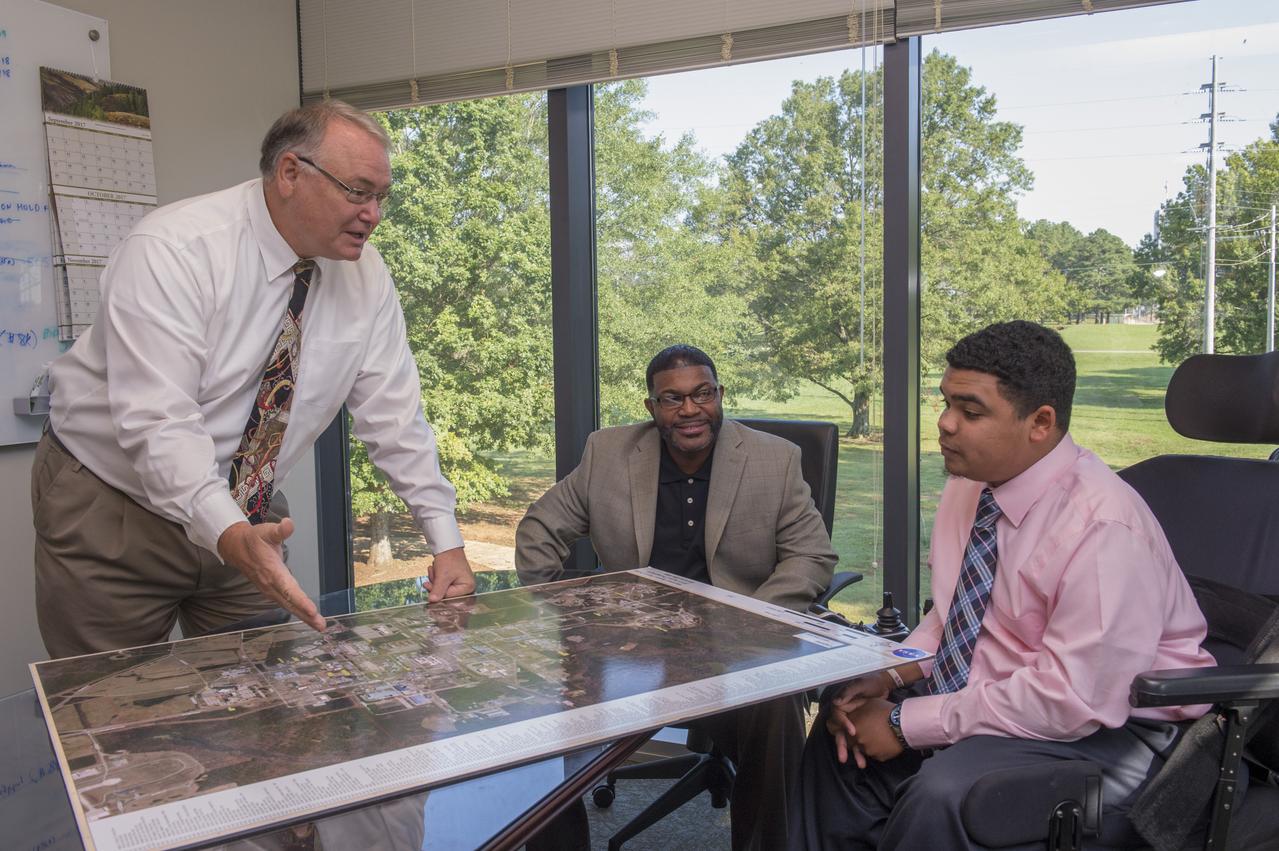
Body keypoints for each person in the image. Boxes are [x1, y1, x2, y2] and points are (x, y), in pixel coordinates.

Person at [33, 100, 475, 658]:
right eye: (358, 192)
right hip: (112, 500)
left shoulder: (366, 275)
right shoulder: (173, 250)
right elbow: (157, 422)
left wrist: (447, 540)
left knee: (267, 705)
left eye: (381, 196)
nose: (373, 214)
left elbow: (394, 418)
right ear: (291, 172)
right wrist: (227, 530)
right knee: (110, 711)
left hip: (247, 506)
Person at [790, 320, 1217, 850]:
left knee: (947, 795)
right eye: (945, 403)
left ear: (1040, 422)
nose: (944, 424)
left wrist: (903, 723)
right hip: (999, 688)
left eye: (970, 412)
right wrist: (893, 674)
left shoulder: (1103, 526)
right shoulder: (971, 486)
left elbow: (1075, 700)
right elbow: (955, 617)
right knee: (840, 732)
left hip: (1112, 729)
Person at [516, 343, 838, 850]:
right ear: (652, 407)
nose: (690, 409)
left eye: (702, 394)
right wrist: (560, 617)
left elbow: (811, 557)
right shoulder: (608, 453)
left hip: (737, 644)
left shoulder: (775, 460)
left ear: (719, 394)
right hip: (631, 644)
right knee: (538, 701)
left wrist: (747, 620)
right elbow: (540, 528)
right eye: (672, 399)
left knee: (775, 707)